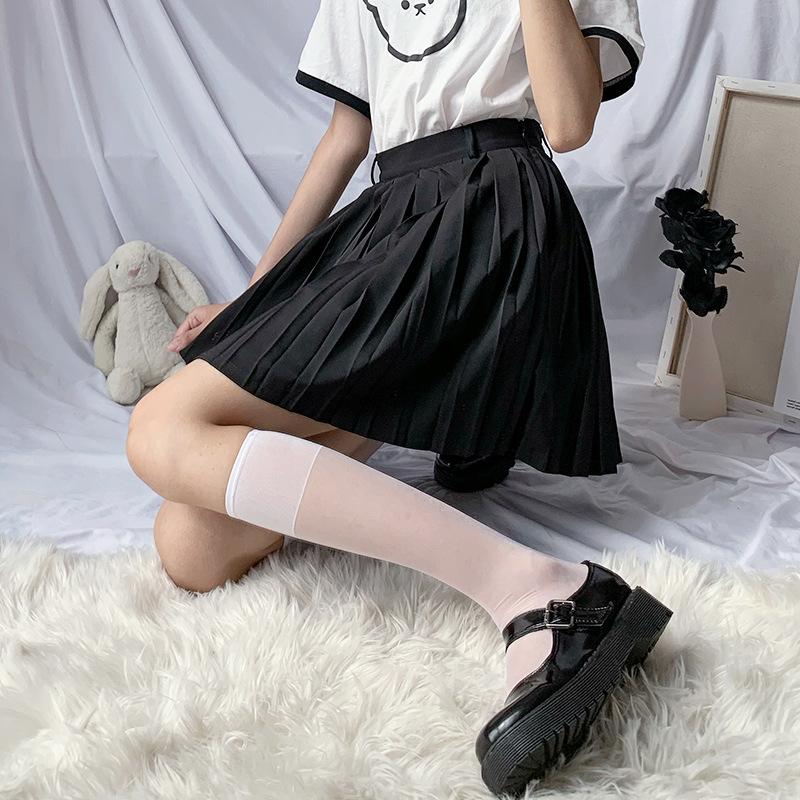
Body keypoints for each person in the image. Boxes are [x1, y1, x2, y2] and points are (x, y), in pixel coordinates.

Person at [126, 0, 671, 794]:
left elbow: (568, 123)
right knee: (191, 548)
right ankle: (443, 413)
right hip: (391, 222)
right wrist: (255, 306)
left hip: (492, 212)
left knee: (160, 427)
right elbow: (344, 141)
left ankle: (541, 590)